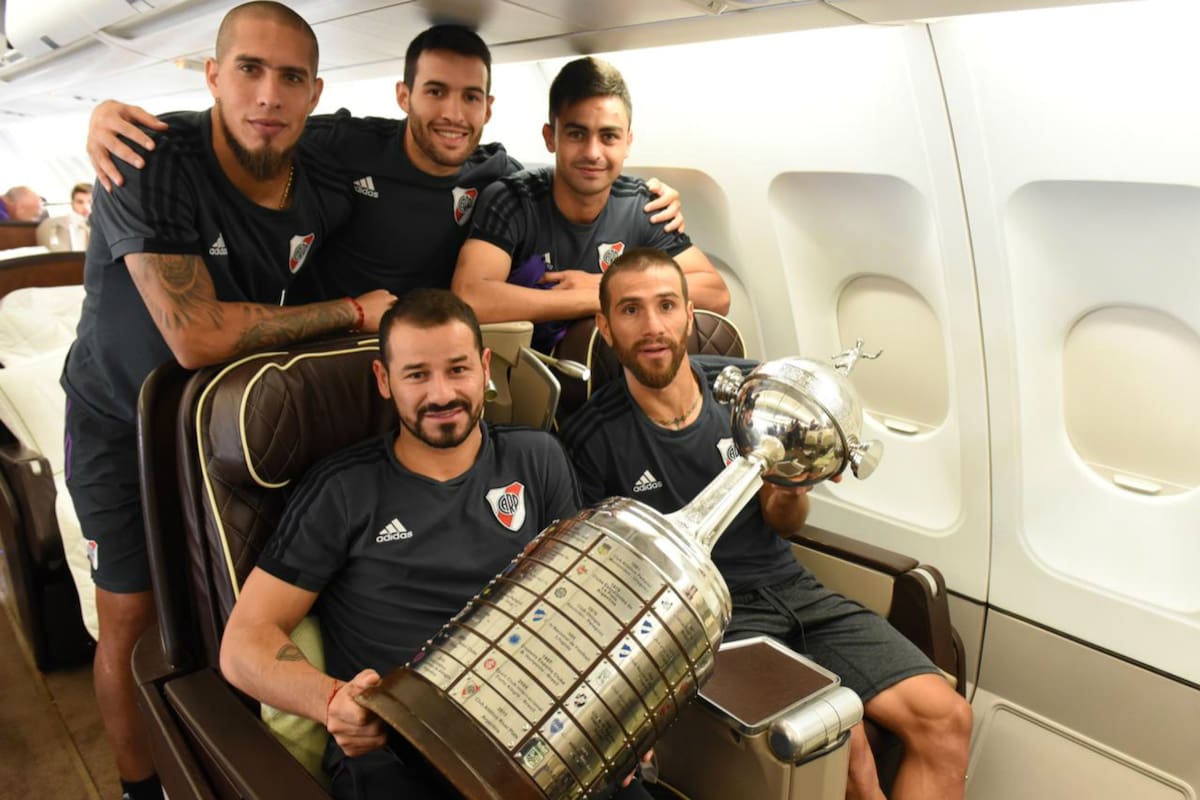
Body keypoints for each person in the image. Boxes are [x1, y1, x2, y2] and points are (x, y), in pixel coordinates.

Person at [60, 5, 395, 799]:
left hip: (222, 432)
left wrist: (634, 191)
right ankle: (143, 788)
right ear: (212, 76)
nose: (267, 95)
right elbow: (197, 336)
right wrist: (353, 311)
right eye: (248, 69)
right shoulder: (148, 159)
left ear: (315, 94)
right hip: (120, 428)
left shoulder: (328, 172)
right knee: (134, 622)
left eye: (289, 78)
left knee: (231, 610)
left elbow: (443, 144)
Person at [560, 248, 974, 800]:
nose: (653, 327)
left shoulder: (753, 396)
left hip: (792, 590)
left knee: (946, 718)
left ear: (690, 314)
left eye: (665, 305)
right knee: (843, 750)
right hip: (706, 622)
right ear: (605, 327)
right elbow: (609, 583)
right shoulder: (590, 438)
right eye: (631, 310)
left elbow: (785, 524)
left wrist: (789, 488)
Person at [219, 289, 652, 800]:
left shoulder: (539, 459)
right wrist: (331, 700)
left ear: (485, 367)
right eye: (417, 375)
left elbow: (582, 608)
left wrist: (621, 711)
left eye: (458, 369)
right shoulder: (341, 488)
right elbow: (243, 642)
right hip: (402, 754)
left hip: (538, 737)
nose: (442, 394)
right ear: (384, 381)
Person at [86, 26, 684, 301]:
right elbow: (257, 122)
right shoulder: (342, 144)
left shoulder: (498, 176)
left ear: (489, 107)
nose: (453, 113)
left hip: (428, 360)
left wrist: (647, 188)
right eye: (435, 92)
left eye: (470, 97)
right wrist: (110, 116)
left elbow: (579, 170)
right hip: (332, 341)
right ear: (404, 98)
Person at [451, 56, 730, 352]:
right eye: (576, 134)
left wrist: (605, 285)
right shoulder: (512, 200)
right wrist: (595, 298)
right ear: (550, 138)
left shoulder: (643, 205)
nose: (593, 152)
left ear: (627, 143)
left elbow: (715, 293)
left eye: (608, 136)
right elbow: (469, 297)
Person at [37, 182, 93, 251]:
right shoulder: (58, 225)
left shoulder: (103, 225)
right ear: (72, 203)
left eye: (90, 202)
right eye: (80, 202)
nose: (86, 207)